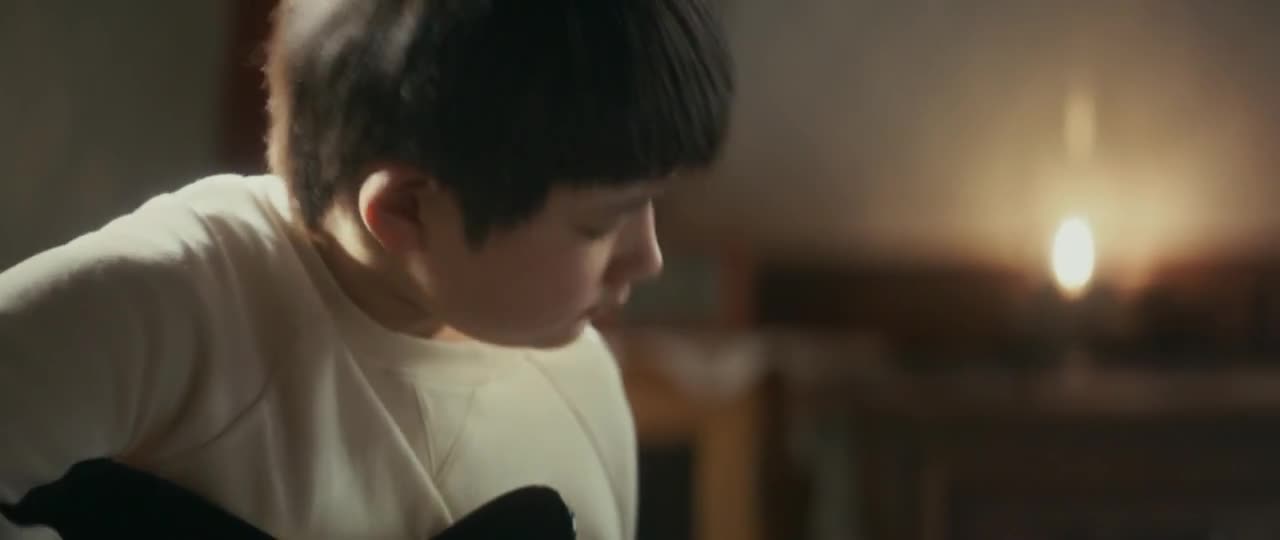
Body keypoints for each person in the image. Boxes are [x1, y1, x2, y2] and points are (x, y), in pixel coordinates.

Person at [0, 0, 734, 537]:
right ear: (407, 210)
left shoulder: (584, 388)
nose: (648, 257)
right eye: (600, 224)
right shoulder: (176, 299)